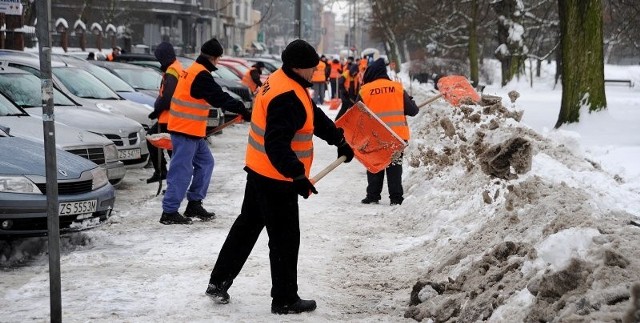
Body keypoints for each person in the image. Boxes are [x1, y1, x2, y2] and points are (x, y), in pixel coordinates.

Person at [205, 39, 355, 314]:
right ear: (299, 67)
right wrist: (296, 174)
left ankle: (218, 282)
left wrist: (338, 139)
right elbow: (276, 144)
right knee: (285, 239)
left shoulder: (283, 81)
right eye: (311, 68)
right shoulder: (287, 96)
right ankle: (285, 299)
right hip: (276, 180)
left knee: (246, 229)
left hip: (260, 172)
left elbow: (312, 115)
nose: (314, 72)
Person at [160, 38, 252, 225]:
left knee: (206, 163)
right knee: (182, 171)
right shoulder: (200, 75)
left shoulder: (195, 70)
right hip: (184, 131)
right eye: (218, 59)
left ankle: (194, 203)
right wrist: (242, 108)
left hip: (191, 132)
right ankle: (169, 212)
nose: (218, 62)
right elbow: (218, 97)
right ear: (214, 57)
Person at [357, 58, 419, 205]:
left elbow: (357, 115)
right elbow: (413, 110)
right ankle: (396, 198)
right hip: (397, 137)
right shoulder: (397, 88)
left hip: (374, 137)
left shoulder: (364, 91)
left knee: (375, 165)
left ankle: (373, 196)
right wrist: (410, 101)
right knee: (395, 167)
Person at [146, 41, 182, 184]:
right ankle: (164, 173)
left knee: (156, 141)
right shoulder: (175, 68)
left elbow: (168, 97)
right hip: (170, 118)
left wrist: (157, 109)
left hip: (169, 119)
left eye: (159, 58)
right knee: (168, 148)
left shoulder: (172, 71)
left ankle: (167, 176)